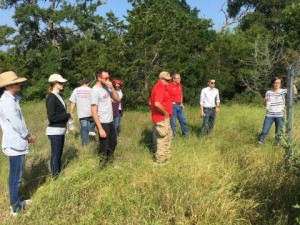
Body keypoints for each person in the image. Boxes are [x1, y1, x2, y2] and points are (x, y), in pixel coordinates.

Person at [0, 71, 36, 216]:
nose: (20, 84)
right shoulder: (7, 102)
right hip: (15, 143)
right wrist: (27, 136)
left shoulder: (11, 99)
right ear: (9, 85)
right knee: (15, 177)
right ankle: (15, 208)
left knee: (17, 176)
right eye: (17, 82)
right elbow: (16, 122)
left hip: (16, 143)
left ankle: (17, 201)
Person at [91, 69, 120, 168]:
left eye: (109, 77)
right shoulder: (95, 90)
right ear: (99, 78)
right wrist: (100, 128)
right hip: (102, 122)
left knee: (113, 143)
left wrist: (112, 87)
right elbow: (94, 111)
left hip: (110, 120)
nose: (108, 79)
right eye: (106, 78)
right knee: (104, 146)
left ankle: (110, 163)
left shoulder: (106, 87)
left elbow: (117, 99)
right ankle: (102, 167)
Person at [257, 76, 298, 145]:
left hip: (279, 115)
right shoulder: (268, 92)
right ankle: (260, 142)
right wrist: (265, 100)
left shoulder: (283, 91)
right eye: (275, 83)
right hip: (269, 115)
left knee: (279, 132)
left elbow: (294, 93)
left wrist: (293, 84)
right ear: (273, 83)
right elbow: (264, 104)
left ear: (280, 84)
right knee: (264, 130)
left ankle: (277, 144)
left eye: (278, 83)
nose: (277, 84)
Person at [46, 74, 70, 178]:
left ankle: (58, 174)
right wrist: (67, 115)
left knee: (59, 154)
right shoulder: (51, 97)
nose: (62, 84)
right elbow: (52, 117)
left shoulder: (58, 96)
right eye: (60, 82)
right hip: (54, 131)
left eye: (62, 82)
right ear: (54, 83)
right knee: (55, 155)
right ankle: (56, 177)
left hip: (60, 130)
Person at [150, 71, 173, 164]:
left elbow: (151, 101)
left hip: (163, 117)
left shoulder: (161, 87)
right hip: (161, 117)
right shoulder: (160, 88)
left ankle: (166, 157)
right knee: (163, 138)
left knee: (168, 135)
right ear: (161, 79)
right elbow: (157, 103)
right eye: (167, 80)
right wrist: (165, 113)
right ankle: (160, 160)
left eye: (169, 80)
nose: (168, 82)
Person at [69, 77, 96, 146]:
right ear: (88, 83)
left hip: (82, 114)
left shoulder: (76, 90)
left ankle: (85, 145)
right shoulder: (91, 90)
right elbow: (95, 102)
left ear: (81, 83)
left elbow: (72, 102)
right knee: (94, 121)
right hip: (91, 112)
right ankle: (91, 129)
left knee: (84, 129)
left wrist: (71, 112)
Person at [166, 72, 188, 137]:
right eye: (178, 78)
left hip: (179, 106)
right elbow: (165, 96)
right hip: (172, 106)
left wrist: (181, 103)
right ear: (173, 79)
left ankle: (185, 135)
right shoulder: (169, 86)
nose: (179, 79)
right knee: (173, 123)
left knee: (183, 121)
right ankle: (173, 137)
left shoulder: (179, 85)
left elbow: (181, 94)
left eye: (180, 78)